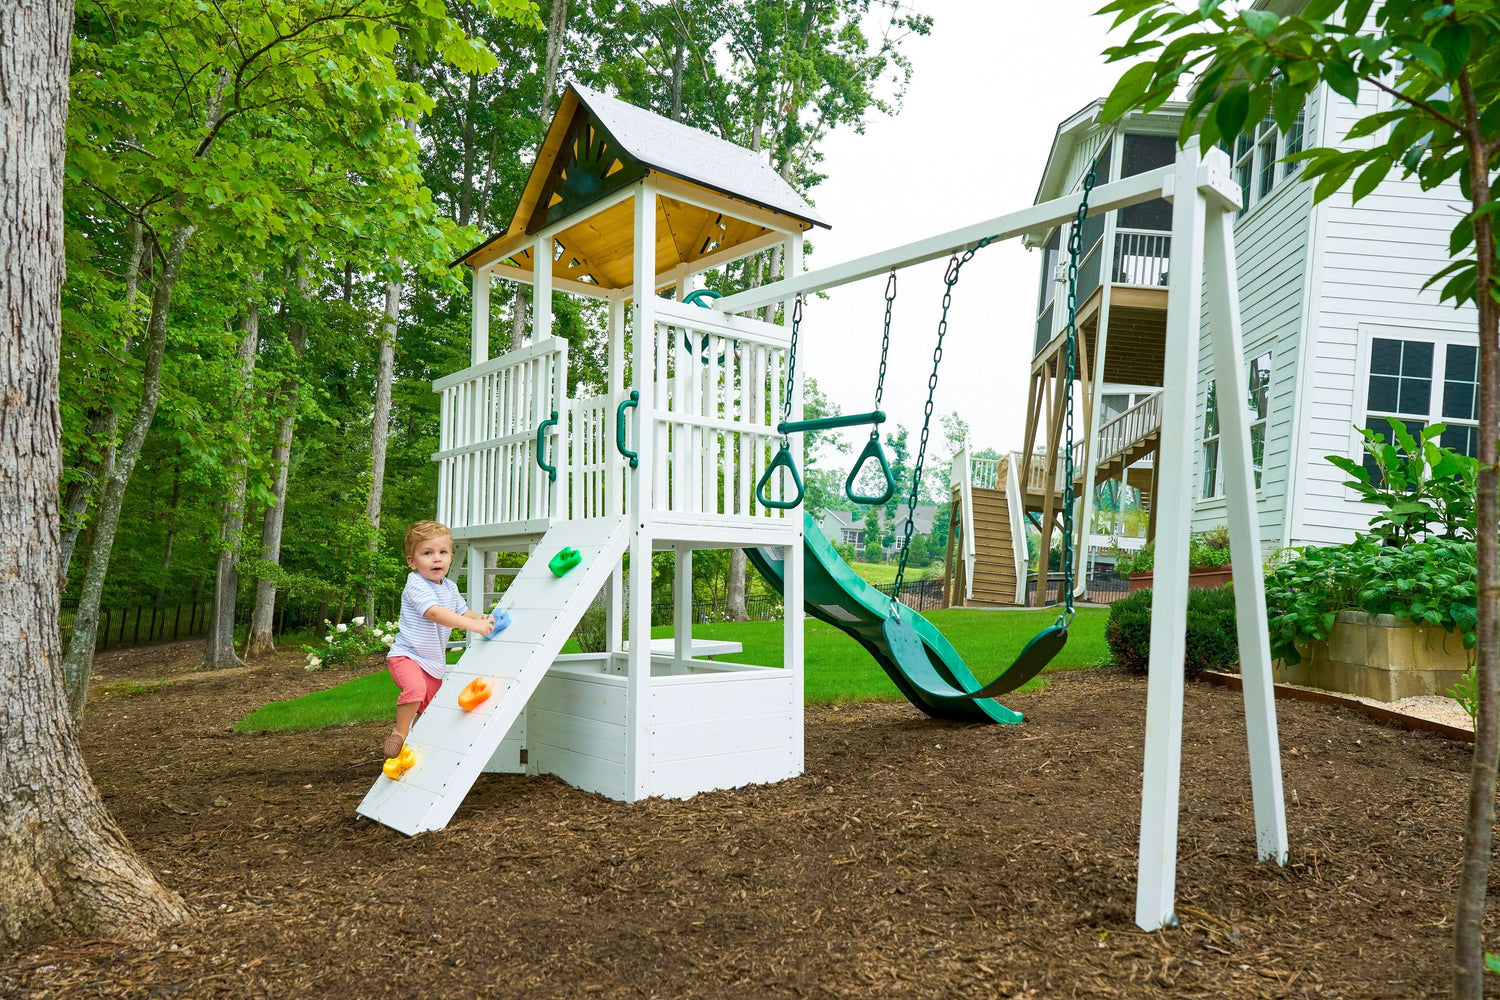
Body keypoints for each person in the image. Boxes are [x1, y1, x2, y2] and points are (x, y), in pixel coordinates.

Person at [383, 520, 494, 758]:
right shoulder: (416, 584)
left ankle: (414, 746)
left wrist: (481, 618)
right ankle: (399, 733)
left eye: (443, 552)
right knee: (415, 689)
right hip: (407, 656)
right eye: (427, 553)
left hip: (432, 663)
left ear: (451, 557)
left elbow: (463, 611)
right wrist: (475, 626)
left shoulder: (449, 587)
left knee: (431, 710)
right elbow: (435, 613)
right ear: (412, 561)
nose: (437, 559)